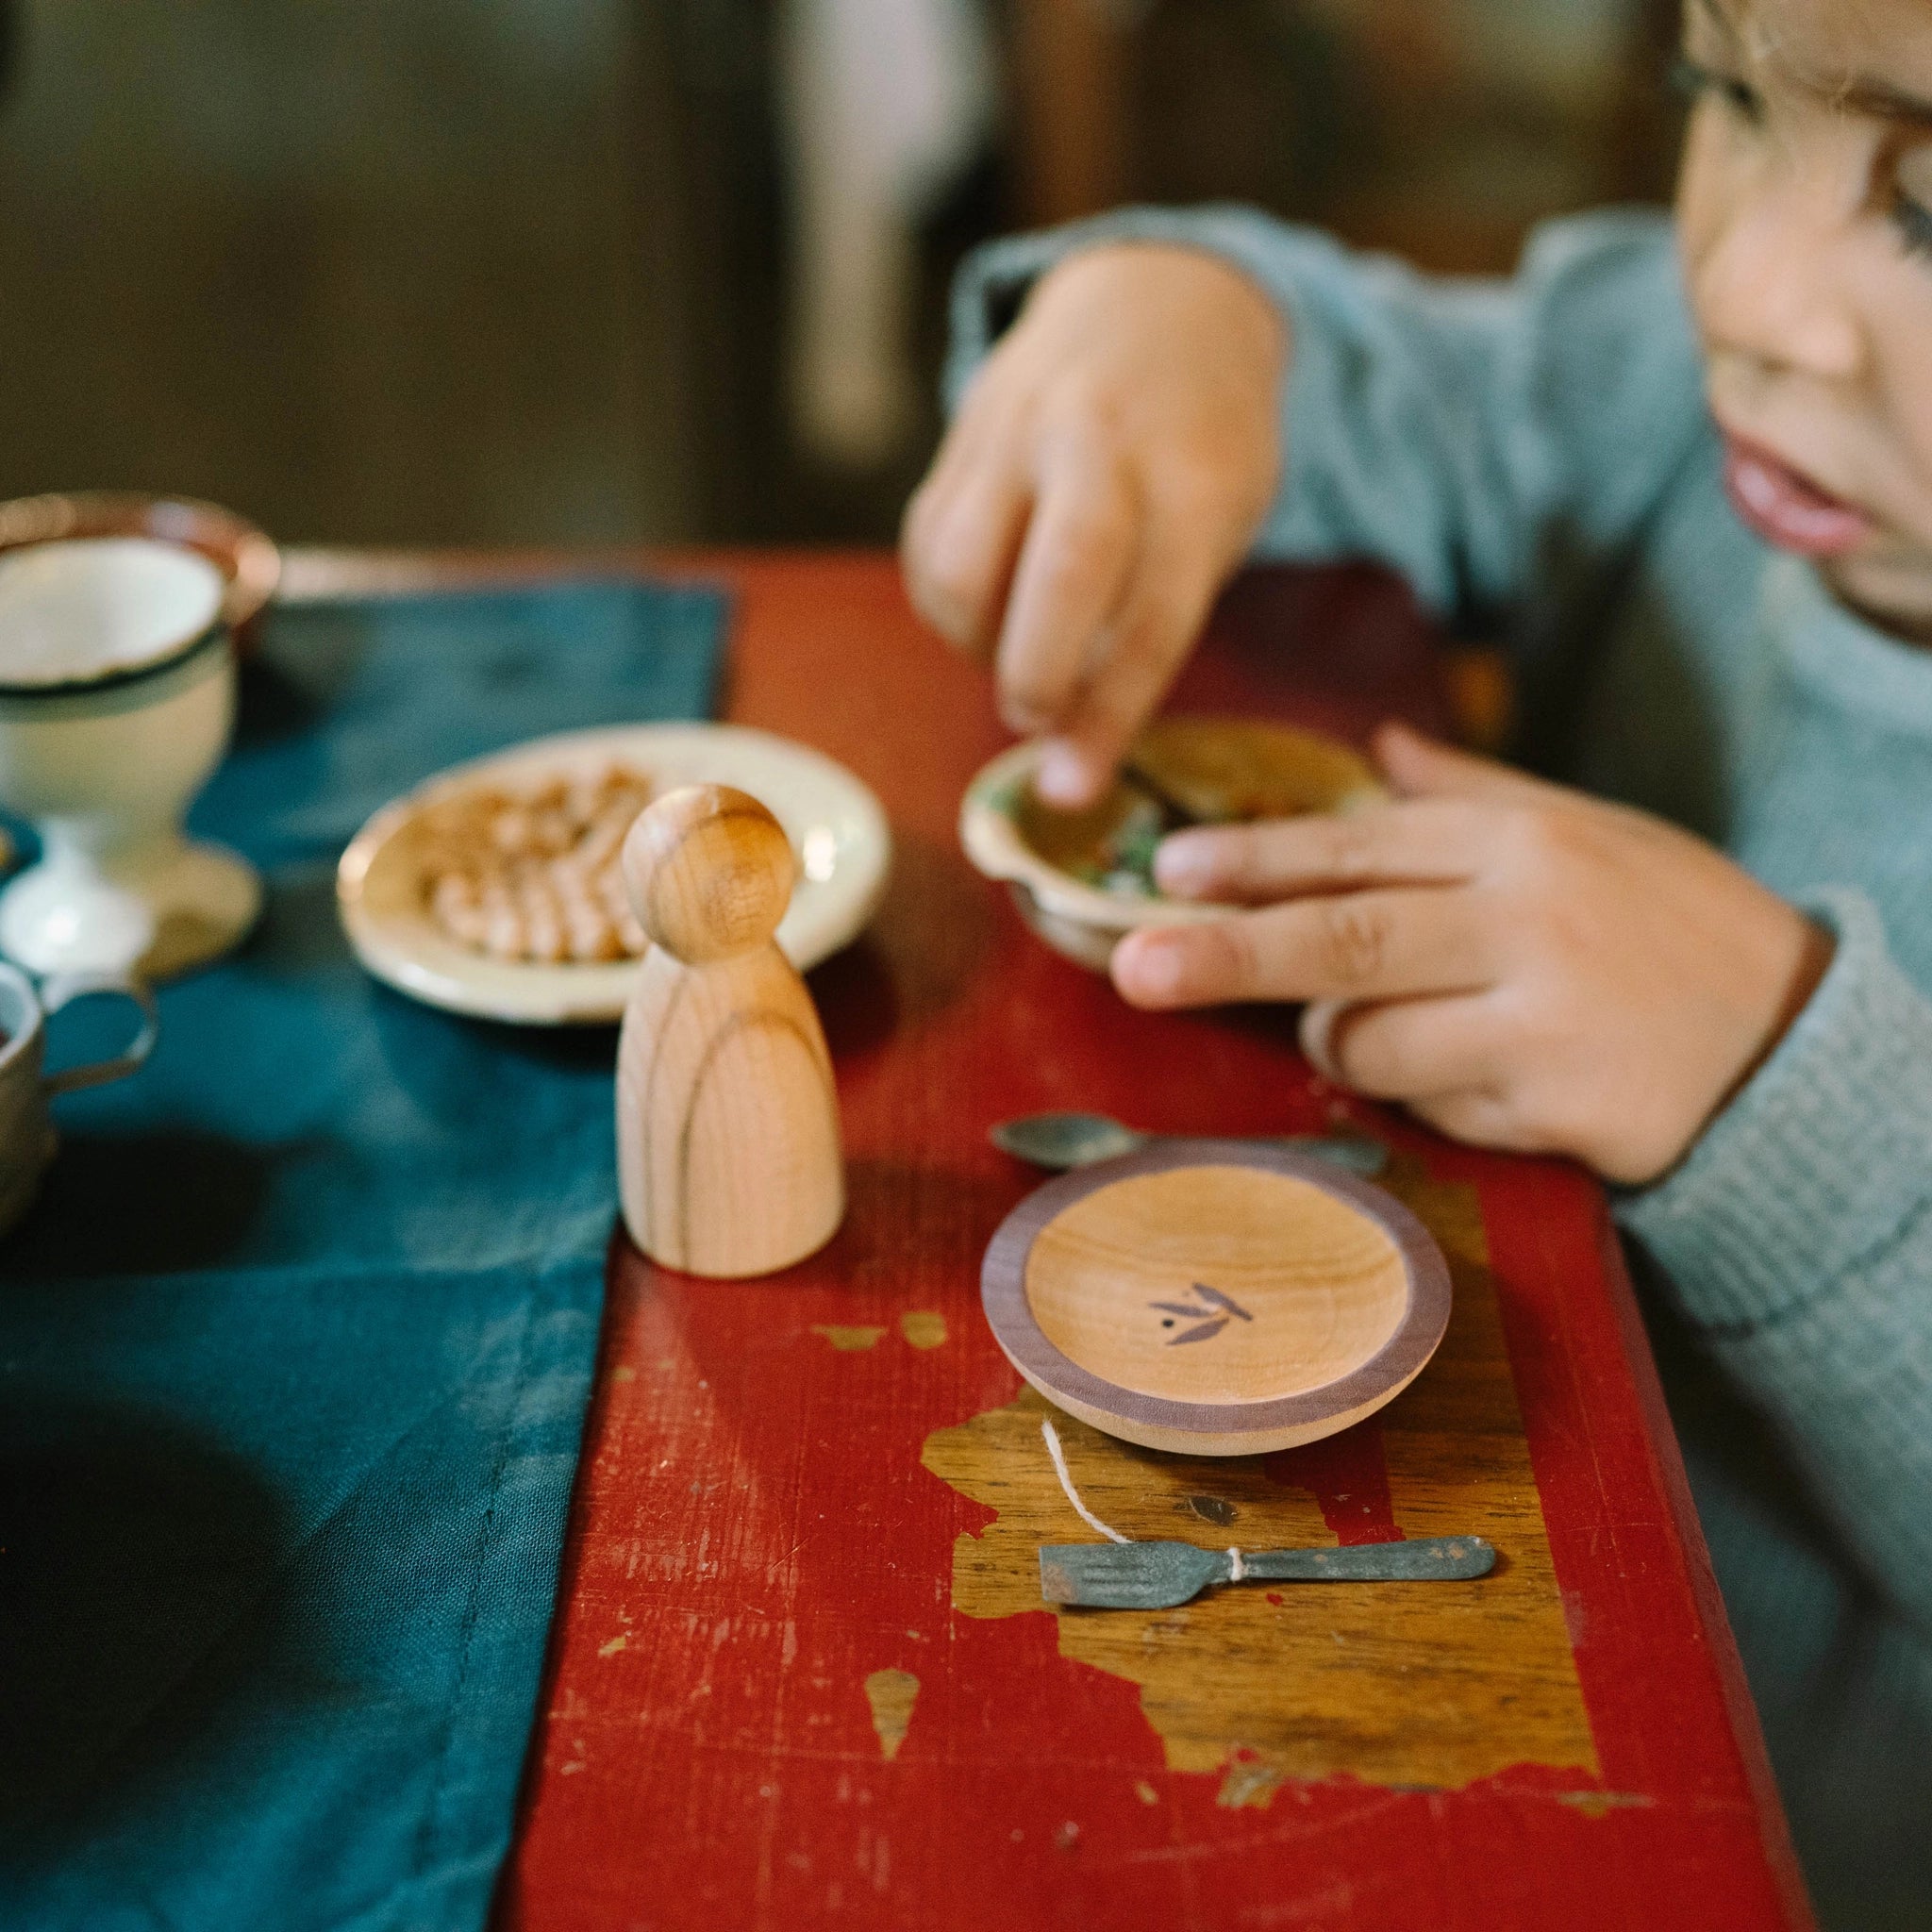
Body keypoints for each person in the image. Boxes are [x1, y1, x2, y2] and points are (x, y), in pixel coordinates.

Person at [902, 0, 1932, 1922]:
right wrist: (1193, 314)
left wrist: (1776, 1079)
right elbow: (1429, 381)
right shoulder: (1673, 396)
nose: (1746, 286)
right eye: (1721, 95)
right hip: (1384, 1621)